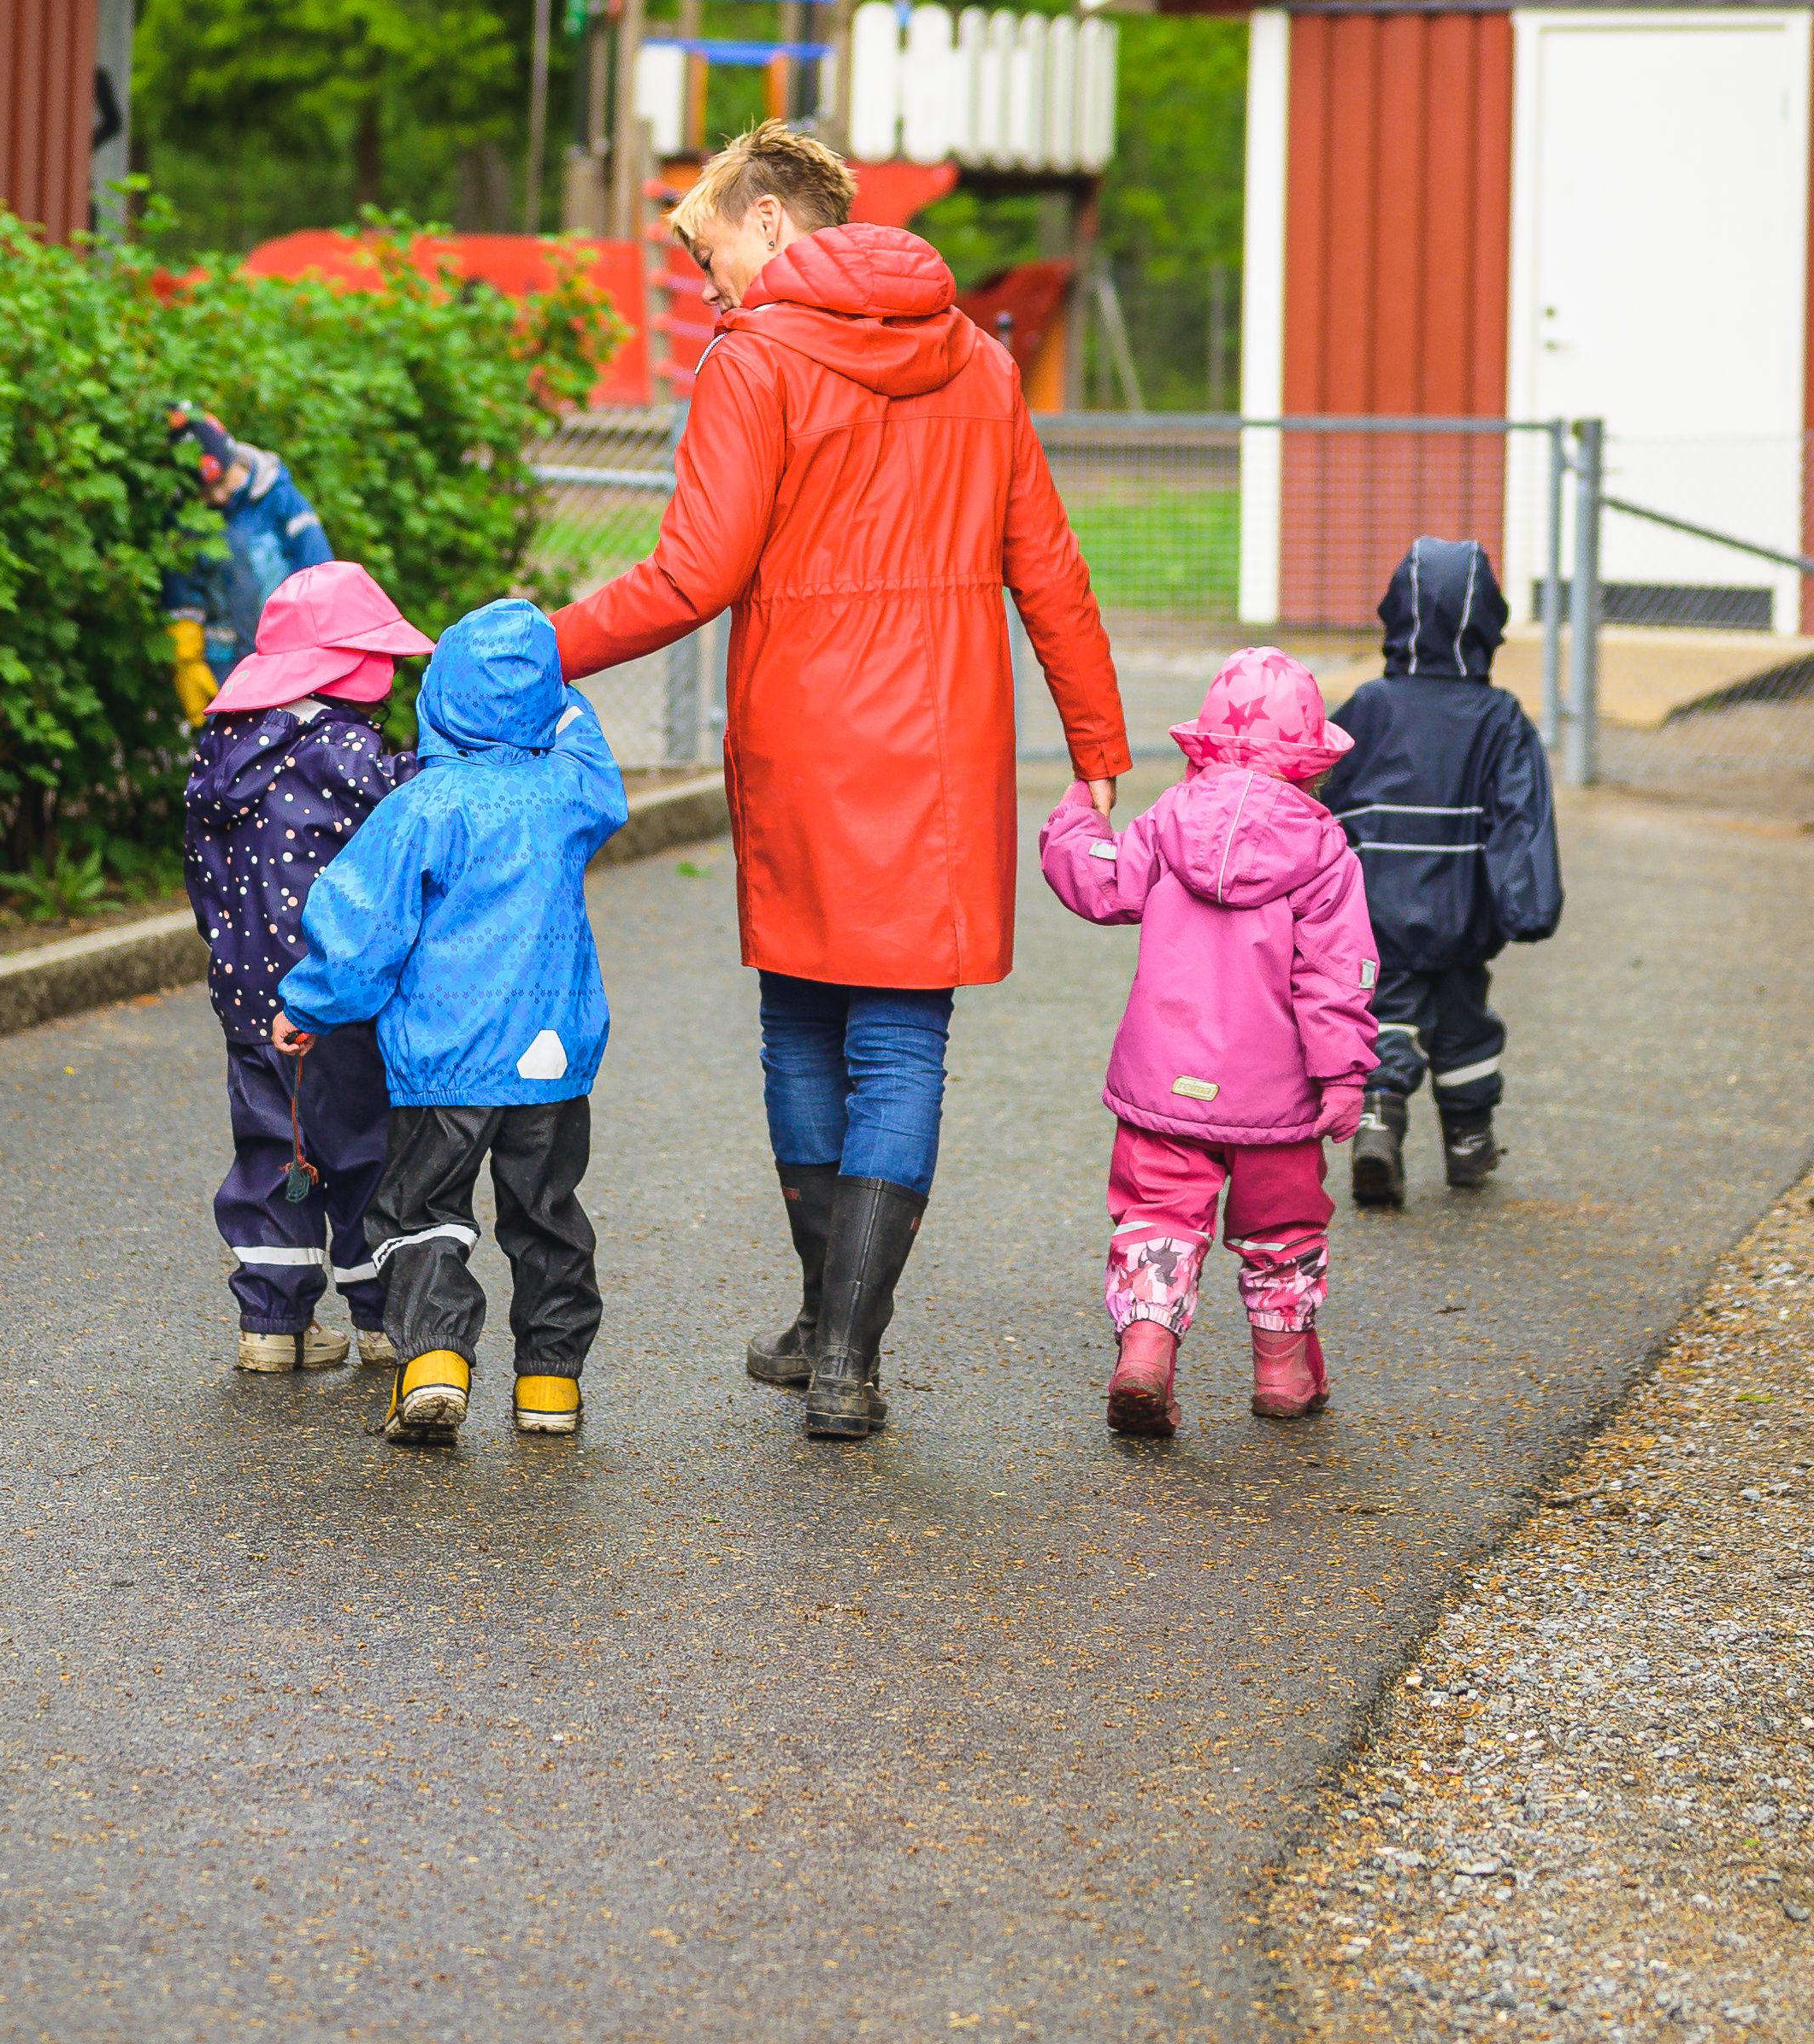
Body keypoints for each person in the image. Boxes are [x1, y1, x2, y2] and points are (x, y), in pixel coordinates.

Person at [551, 121, 1133, 1443]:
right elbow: (1047, 564)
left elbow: (694, 576)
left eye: (709, 257)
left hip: (805, 737)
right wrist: (1096, 744)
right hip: (942, 745)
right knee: (903, 1040)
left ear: (768, 225)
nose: (708, 289)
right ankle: (849, 1353)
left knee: (802, 1028)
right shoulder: (980, 363)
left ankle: (826, 1325)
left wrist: (540, 645)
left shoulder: (754, 365)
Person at [273, 596, 627, 1447]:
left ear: (440, 701)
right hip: (552, 1059)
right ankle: (550, 1381)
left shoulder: (427, 806)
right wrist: (558, 692)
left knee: (421, 1207)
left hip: (445, 1060)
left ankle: (434, 1362)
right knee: (546, 1212)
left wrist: (309, 1003)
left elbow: (363, 928)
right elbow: (591, 754)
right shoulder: (568, 793)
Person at [1040, 648, 1379, 1436]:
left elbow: (1100, 881)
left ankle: (1148, 1353)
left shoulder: (1167, 820)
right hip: (1279, 1098)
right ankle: (1285, 1373)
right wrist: (1343, 1076)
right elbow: (1337, 974)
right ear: (1311, 760)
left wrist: (1077, 818)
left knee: (1158, 1215)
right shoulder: (1325, 852)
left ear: (1204, 745)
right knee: (1283, 1230)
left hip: (1165, 1083)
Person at [185, 561, 441, 1376]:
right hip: (333, 997)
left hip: (246, 994)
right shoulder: (345, 752)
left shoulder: (222, 756)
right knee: (362, 1150)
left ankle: (271, 1322)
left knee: (273, 1151)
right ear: (348, 668)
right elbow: (416, 812)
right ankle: (379, 1321)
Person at [1316, 537, 1564, 1205]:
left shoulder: (1368, 705)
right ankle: (1468, 1144)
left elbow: (1315, 791)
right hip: (1463, 912)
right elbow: (1522, 818)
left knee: (1385, 1014)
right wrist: (1528, 904)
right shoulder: (1500, 718)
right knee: (1464, 1024)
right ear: (1490, 623)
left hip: (1377, 911)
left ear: (1395, 615)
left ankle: (1377, 1120)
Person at [164, 408, 337, 700]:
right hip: (224, 668)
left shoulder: (279, 497)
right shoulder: (186, 520)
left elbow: (321, 574)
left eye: (222, 483)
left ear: (235, 461)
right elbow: (182, 591)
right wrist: (186, 656)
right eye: (206, 492)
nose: (218, 497)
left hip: (290, 661)